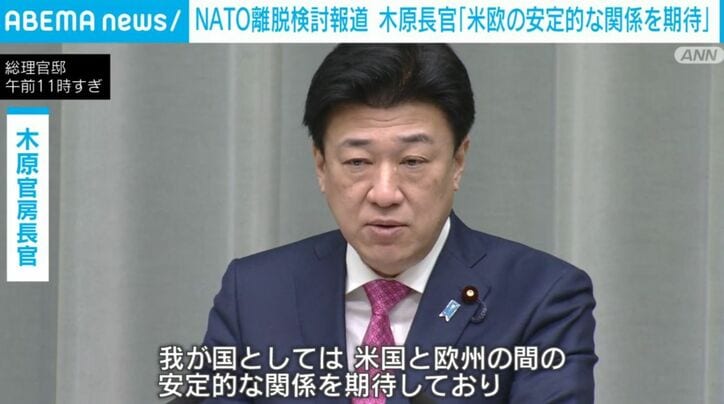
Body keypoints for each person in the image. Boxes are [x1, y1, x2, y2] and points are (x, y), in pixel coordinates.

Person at [200, 44, 596, 403]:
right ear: (321, 166)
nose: (385, 193)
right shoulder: (254, 293)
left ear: (458, 162)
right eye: (358, 162)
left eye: (412, 162)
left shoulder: (541, 296)